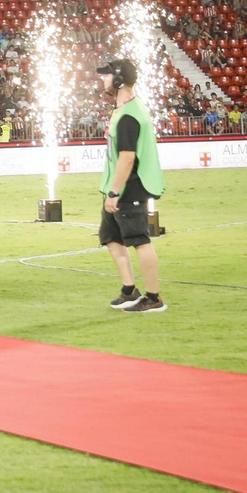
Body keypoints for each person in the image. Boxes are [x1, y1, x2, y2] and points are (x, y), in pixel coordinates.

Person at [97, 58, 167, 313]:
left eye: (106, 75)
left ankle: (154, 297)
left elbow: (127, 157)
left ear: (117, 80)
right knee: (111, 237)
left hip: (130, 187)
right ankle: (130, 290)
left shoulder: (128, 115)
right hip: (118, 187)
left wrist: (114, 192)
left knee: (139, 241)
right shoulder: (125, 110)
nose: (102, 80)